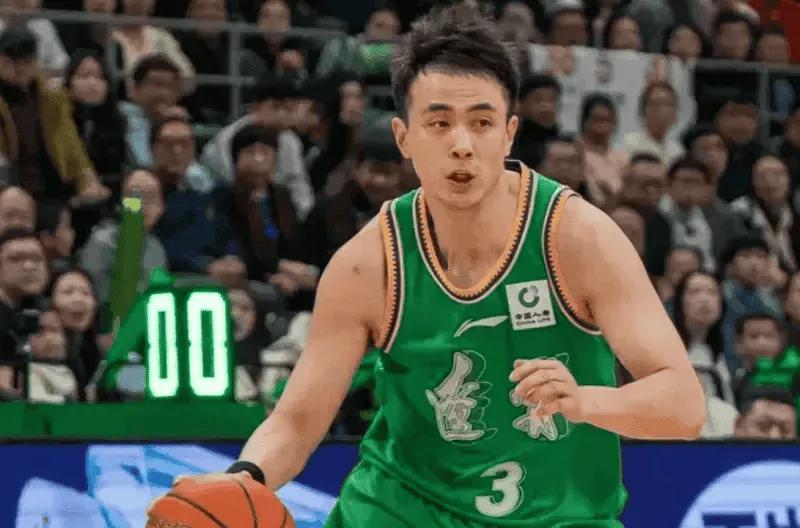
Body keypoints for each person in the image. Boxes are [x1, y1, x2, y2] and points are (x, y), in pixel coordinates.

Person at [164, 4, 704, 527]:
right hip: (399, 512)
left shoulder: (578, 237)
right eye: (439, 122)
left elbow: (683, 406)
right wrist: (243, 479)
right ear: (405, 137)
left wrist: (586, 401)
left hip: (556, 517)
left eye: (482, 122)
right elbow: (298, 418)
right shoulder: (368, 263)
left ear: (509, 133)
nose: (461, 145)